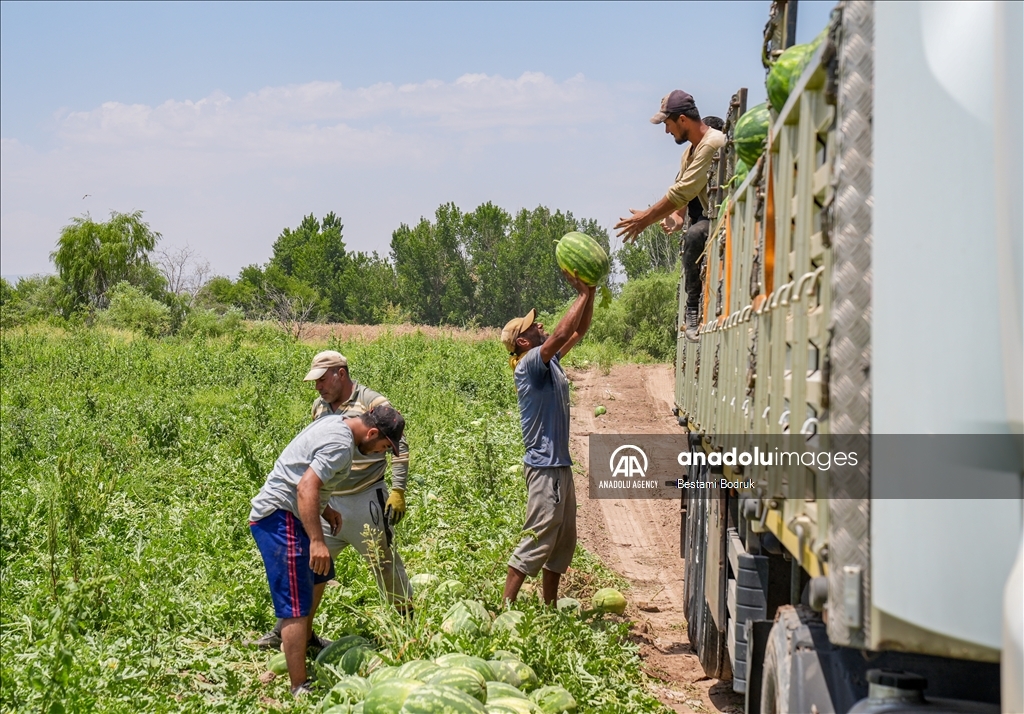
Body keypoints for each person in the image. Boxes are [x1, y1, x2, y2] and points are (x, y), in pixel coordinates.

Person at [251, 350, 413, 650]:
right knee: (313, 566)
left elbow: (398, 444)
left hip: (365, 496)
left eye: (323, 380)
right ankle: (292, 633)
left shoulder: (373, 403)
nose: (318, 387)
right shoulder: (320, 407)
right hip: (326, 500)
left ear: (341, 373)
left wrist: (398, 489)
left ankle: (408, 626)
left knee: (384, 564)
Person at [248, 404, 405, 696]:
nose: (381, 453)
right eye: (383, 446)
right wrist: (317, 541)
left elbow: (305, 473)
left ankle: (306, 640)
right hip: (278, 516)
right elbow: (306, 488)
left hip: (291, 512)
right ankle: (299, 685)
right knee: (295, 601)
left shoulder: (338, 422)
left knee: (319, 575)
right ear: (371, 433)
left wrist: (327, 508)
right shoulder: (341, 447)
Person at [500, 269, 595, 605]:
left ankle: (549, 607)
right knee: (538, 537)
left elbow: (578, 330)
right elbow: (561, 331)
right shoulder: (529, 363)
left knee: (561, 543)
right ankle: (504, 610)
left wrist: (592, 290)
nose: (539, 325)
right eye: (533, 326)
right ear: (523, 341)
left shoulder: (548, 360)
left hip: (559, 466)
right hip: (543, 468)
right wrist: (580, 295)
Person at [614, 90, 726, 341]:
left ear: (683, 119)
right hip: (714, 218)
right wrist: (675, 219)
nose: (667, 131)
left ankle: (693, 308)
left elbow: (680, 192)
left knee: (696, 233)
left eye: (668, 124)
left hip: (729, 216)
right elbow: (683, 199)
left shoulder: (713, 142)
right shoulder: (689, 153)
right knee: (693, 231)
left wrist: (645, 219)